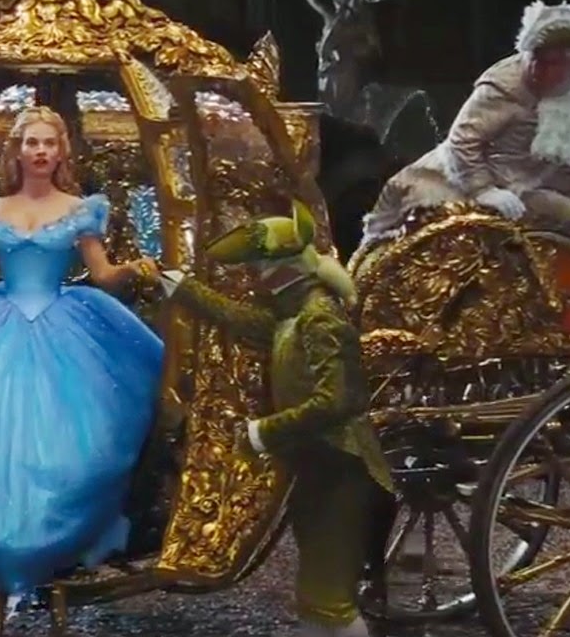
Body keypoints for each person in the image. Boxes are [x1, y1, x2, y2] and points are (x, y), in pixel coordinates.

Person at [0, 106, 163, 615]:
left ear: (61, 152)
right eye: (32, 142)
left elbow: (102, 275)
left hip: (64, 324)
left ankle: (51, 549)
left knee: (79, 446)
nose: (41, 151)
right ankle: (3, 554)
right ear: (18, 150)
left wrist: (135, 270)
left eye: (49, 143)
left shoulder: (80, 209)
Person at [148, 200, 395, 637]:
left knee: (331, 599)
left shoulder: (319, 318)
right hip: (318, 467)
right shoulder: (292, 315)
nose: (255, 275)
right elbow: (236, 317)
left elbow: (334, 401)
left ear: (283, 269)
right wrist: (177, 283)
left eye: (260, 266)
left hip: (343, 470)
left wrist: (264, 431)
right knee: (315, 596)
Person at [359, 0, 570, 339]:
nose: (538, 68)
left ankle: (552, 306)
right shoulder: (503, 87)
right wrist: (485, 189)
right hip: (457, 180)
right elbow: (462, 144)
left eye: (552, 61)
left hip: (533, 183)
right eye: (534, 56)